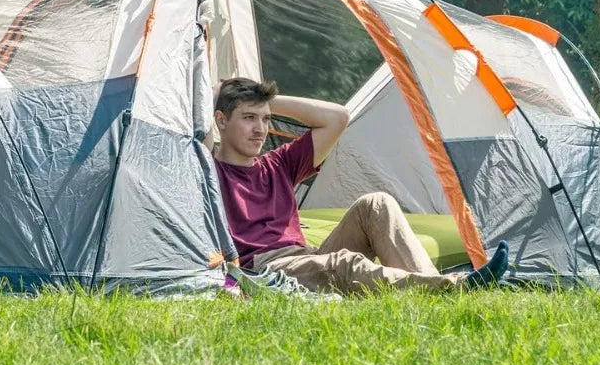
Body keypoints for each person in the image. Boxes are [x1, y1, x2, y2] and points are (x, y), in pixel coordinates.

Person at [211, 77, 509, 295]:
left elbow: (337, 118)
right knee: (345, 264)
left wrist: (265, 99)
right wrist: (214, 94)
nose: (260, 129)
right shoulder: (206, 173)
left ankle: (434, 289)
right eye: (249, 118)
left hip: (305, 256)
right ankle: (452, 287)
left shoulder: (278, 164)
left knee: (376, 204)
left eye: (265, 119)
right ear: (221, 121)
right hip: (263, 270)